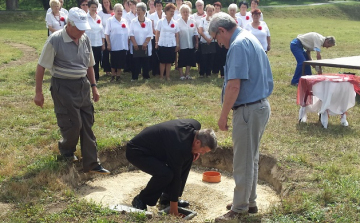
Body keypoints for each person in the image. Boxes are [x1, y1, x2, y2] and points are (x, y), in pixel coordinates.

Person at [208, 12, 273, 221]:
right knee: (251, 157)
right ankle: (249, 201)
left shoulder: (237, 46)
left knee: (243, 160)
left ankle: (239, 209)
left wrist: (223, 116)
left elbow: (234, 85)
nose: (220, 44)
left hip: (248, 109)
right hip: (260, 106)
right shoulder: (249, 37)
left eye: (218, 39)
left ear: (222, 31)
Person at [34, 7, 110, 175]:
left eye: (84, 27)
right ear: (69, 24)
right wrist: (38, 92)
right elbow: (41, 67)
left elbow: (89, 65)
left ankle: (92, 163)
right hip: (63, 86)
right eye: (79, 27)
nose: (83, 30)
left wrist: (94, 87)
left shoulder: (85, 39)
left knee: (87, 123)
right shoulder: (55, 40)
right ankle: (67, 152)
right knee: (73, 123)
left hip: (82, 85)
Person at [126, 119, 217, 215]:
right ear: (198, 142)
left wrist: (195, 151)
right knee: (166, 174)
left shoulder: (195, 126)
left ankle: (166, 198)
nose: (202, 153)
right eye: (203, 150)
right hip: (137, 151)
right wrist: (174, 208)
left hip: (157, 149)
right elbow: (176, 177)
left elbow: (194, 128)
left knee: (188, 156)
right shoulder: (180, 147)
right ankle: (141, 199)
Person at [105, 3, 129, 82]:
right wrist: (108, 43)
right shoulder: (110, 20)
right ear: (114, 11)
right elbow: (107, 33)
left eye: (121, 11)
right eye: (118, 11)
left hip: (123, 45)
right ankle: (113, 76)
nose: (120, 13)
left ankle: (118, 76)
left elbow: (128, 33)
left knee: (121, 61)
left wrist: (128, 43)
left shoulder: (124, 20)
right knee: (113, 61)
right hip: (114, 44)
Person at [155, 3, 180, 81]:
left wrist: (177, 45)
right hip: (162, 43)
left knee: (169, 62)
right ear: (166, 11)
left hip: (171, 44)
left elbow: (177, 35)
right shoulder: (160, 21)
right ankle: (161, 76)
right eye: (170, 11)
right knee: (162, 62)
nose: (172, 13)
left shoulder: (175, 23)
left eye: (173, 12)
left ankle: (168, 76)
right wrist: (156, 42)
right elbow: (157, 33)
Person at [129, 2, 153, 81]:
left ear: (144, 11)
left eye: (139, 10)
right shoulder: (133, 21)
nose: (138, 12)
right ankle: (135, 77)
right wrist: (134, 43)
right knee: (135, 61)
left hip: (145, 45)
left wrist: (145, 43)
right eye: (137, 10)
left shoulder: (148, 21)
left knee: (145, 61)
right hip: (136, 44)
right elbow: (131, 33)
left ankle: (146, 76)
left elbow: (150, 34)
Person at [177, 4, 198, 80]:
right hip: (182, 44)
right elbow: (177, 34)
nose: (185, 13)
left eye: (187, 12)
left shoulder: (192, 21)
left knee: (189, 59)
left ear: (189, 12)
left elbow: (195, 33)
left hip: (190, 44)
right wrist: (177, 44)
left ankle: (187, 74)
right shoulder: (178, 22)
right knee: (181, 59)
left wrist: (196, 43)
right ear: (181, 12)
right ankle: (181, 75)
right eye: (184, 12)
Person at [86, 0, 105, 82]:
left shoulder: (99, 18)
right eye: (92, 7)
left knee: (97, 61)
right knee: (89, 62)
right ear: (88, 7)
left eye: (95, 7)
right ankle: (88, 77)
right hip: (89, 43)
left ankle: (96, 77)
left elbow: (102, 31)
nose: (94, 9)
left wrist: (103, 43)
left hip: (98, 43)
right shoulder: (86, 18)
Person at [198, 4, 215, 77]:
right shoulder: (202, 20)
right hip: (204, 41)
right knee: (203, 58)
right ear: (206, 11)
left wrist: (211, 39)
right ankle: (202, 73)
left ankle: (208, 73)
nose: (210, 12)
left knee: (210, 58)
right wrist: (206, 39)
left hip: (212, 41)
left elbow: (216, 31)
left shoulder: (215, 20)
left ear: (213, 11)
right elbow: (200, 31)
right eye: (208, 11)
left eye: (211, 11)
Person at [98, 0, 113, 76]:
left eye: (107, 2)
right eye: (104, 3)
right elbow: (100, 26)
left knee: (114, 53)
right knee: (106, 53)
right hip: (105, 35)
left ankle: (115, 68)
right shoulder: (100, 13)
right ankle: (107, 69)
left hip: (113, 36)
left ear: (110, 2)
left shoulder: (114, 11)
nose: (106, 4)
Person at [212, 1, 227, 78]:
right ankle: (214, 71)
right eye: (215, 8)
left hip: (220, 40)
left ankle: (222, 73)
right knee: (214, 57)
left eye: (218, 8)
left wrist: (220, 39)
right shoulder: (211, 17)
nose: (217, 9)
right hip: (212, 40)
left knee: (221, 56)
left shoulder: (222, 17)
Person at [149, 0, 165, 76]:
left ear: (162, 6)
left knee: (162, 54)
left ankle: (163, 71)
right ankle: (155, 71)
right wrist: (158, 35)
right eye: (157, 5)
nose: (158, 7)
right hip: (155, 37)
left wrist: (161, 35)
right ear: (155, 7)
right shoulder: (152, 16)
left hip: (164, 38)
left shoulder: (165, 15)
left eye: (160, 5)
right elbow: (152, 27)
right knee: (155, 55)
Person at [192, 0, 206, 72]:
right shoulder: (193, 16)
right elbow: (193, 25)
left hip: (205, 37)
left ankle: (206, 67)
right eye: (198, 5)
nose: (199, 7)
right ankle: (199, 67)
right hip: (197, 36)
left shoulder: (207, 14)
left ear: (203, 6)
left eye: (201, 5)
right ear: (196, 7)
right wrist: (198, 31)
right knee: (198, 53)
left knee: (205, 53)